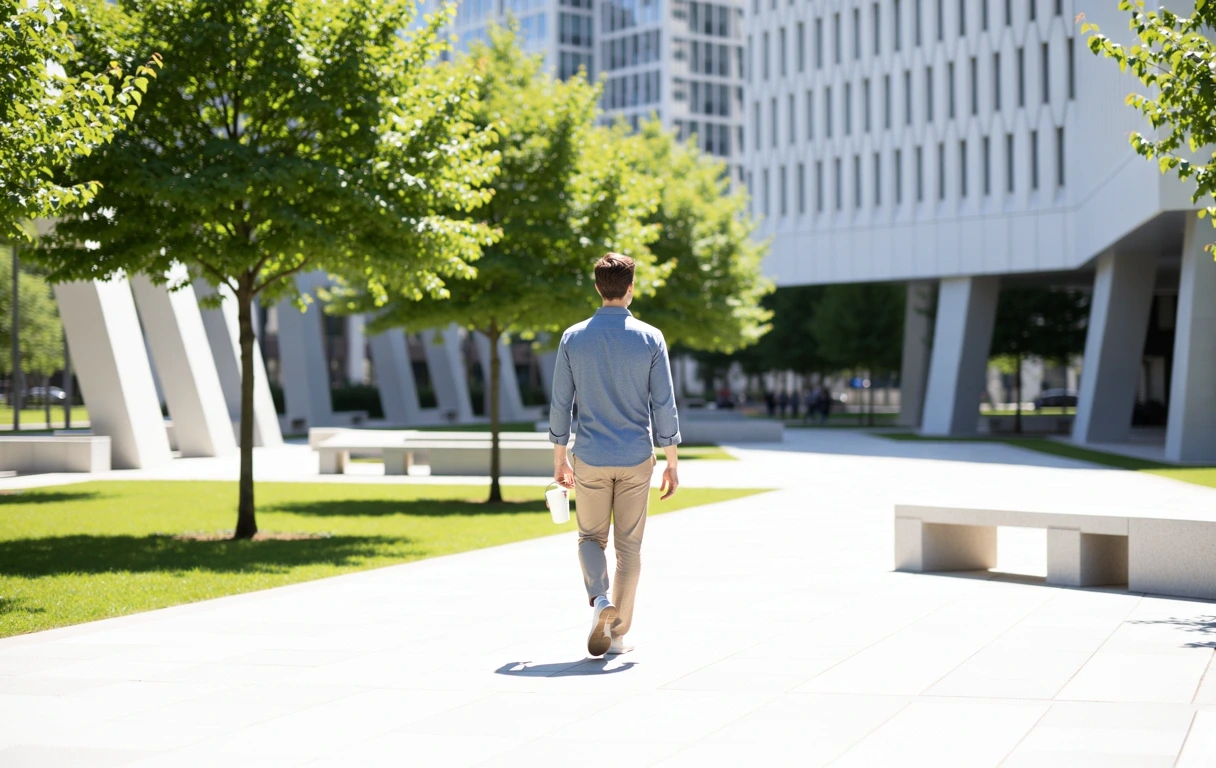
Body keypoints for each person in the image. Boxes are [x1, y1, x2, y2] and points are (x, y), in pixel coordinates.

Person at [549, 253, 681, 658]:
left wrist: (559, 458)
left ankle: (599, 601)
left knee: (590, 537)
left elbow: (560, 404)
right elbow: (664, 404)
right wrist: (673, 461)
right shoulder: (651, 337)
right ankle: (618, 634)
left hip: (589, 455)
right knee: (629, 549)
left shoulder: (573, 337)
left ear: (597, 287)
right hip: (636, 457)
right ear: (630, 288)